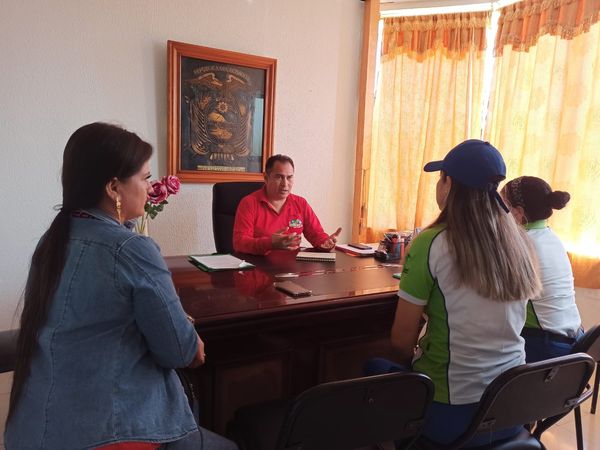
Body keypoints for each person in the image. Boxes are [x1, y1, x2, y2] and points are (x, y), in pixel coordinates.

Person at [5, 123, 237, 450]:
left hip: (33, 429)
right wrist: (184, 329)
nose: (150, 187)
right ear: (114, 188)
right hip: (106, 432)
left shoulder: (53, 240)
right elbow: (181, 351)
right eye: (144, 178)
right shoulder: (130, 249)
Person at [366, 140, 541, 446]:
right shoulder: (519, 241)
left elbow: (401, 340)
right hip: (511, 407)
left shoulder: (432, 242)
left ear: (449, 184)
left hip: (453, 415)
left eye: (440, 178)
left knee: (373, 368)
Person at [502, 176, 582, 363]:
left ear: (518, 212)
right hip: (575, 343)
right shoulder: (551, 237)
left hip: (545, 348)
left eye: (502, 204)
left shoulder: (521, 245)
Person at [233, 154, 341, 255]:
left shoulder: (300, 203)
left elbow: (316, 234)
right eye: (279, 177)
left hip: (293, 265)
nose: (285, 184)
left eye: (289, 177)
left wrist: (326, 243)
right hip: (259, 265)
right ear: (266, 178)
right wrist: (270, 243)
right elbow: (239, 243)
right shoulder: (249, 203)